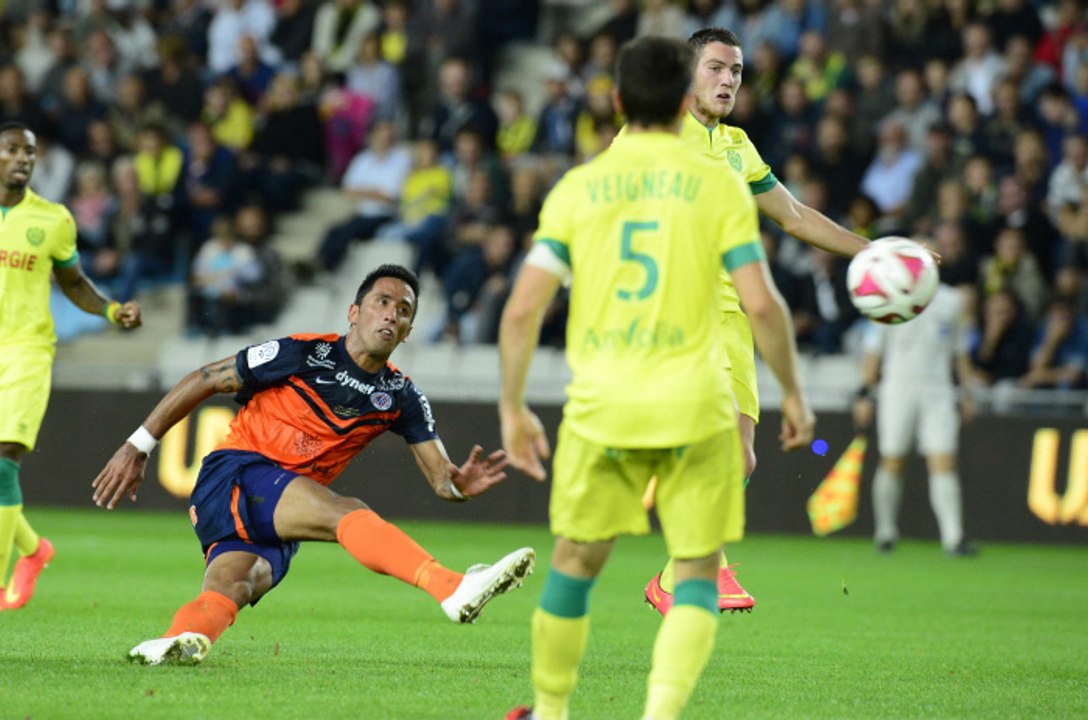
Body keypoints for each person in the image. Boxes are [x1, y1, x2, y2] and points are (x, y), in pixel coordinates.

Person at [498, 37, 814, 720]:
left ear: (615, 101)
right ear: (681, 102)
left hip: (603, 400)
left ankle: (550, 712)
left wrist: (512, 408)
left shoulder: (580, 187)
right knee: (699, 572)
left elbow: (523, 309)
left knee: (574, 565)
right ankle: (660, 714)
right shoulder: (717, 183)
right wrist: (793, 393)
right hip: (696, 398)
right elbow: (760, 302)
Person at [91, 264, 534, 665]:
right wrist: (138, 445)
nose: (391, 315)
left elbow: (441, 478)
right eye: (382, 302)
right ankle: (450, 586)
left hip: (280, 509)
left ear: (407, 331)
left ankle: (176, 640)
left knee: (235, 586)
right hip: (237, 474)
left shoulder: (401, 395)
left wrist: (457, 485)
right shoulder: (302, 353)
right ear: (354, 311)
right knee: (344, 510)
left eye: (403, 310)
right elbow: (206, 379)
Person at [640, 27, 869, 616]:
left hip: (728, 310)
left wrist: (870, 249)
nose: (727, 81)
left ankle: (676, 573)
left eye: (736, 72)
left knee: (742, 458)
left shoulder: (737, 146)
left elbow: (793, 216)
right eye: (715, 68)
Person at [0, 121, 142, 612]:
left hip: (26, 349)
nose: (22, 158)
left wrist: (110, 309)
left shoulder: (53, 219)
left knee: (4, 456)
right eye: (12, 150)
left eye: (29, 152)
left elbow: (75, 282)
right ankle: (34, 550)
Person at [852, 280, 979, 558]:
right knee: (893, 459)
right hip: (897, 387)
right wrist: (864, 392)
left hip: (939, 389)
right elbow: (875, 350)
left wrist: (967, 393)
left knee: (943, 459)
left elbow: (960, 351)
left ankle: (953, 538)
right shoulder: (889, 296)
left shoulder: (951, 300)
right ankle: (885, 531)